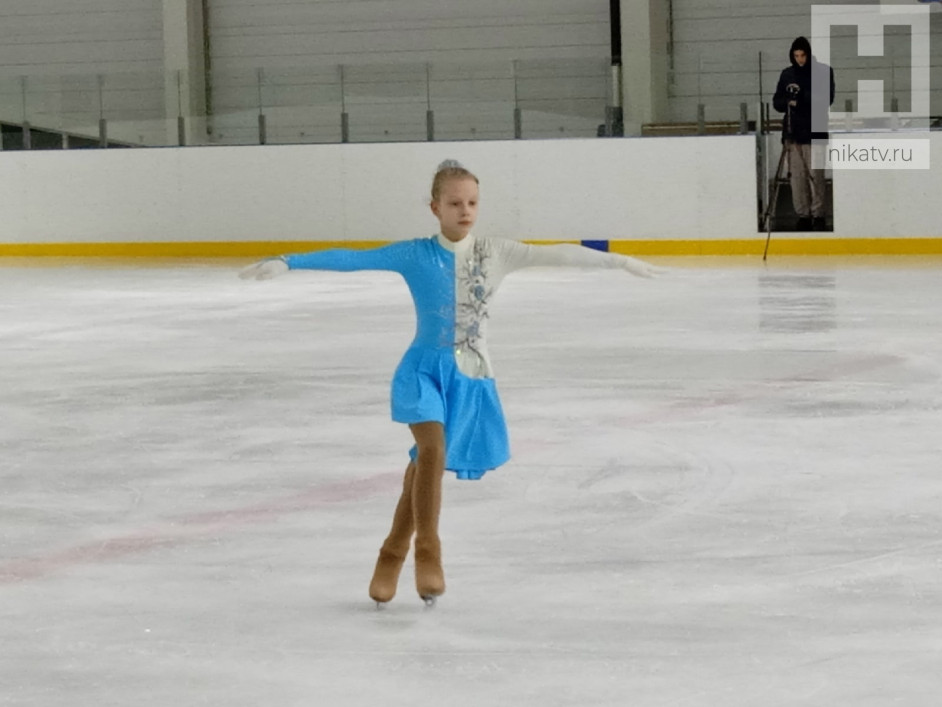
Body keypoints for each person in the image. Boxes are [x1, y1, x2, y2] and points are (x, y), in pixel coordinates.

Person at [239, 160, 663, 606]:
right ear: (435, 208)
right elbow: (354, 258)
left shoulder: (497, 253)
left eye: (473, 203)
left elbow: (558, 253)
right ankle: (428, 550)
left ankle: (391, 553)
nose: (465, 211)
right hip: (422, 370)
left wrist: (619, 261)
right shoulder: (415, 254)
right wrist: (288, 262)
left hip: (470, 377)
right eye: (455, 203)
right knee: (432, 450)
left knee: (423, 464)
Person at [772, 36, 835, 231]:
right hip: (792, 133)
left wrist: (801, 99)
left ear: (808, 54)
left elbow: (826, 99)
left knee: (815, 175)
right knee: (797, 177)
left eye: (802, 55)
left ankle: (818, 214)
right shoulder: (787, 74)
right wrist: (788, 101)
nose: (800, 59)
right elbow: (777, 102)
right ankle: (803, 214)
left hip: (815, 132)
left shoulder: (823, 72)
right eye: (796, 56)